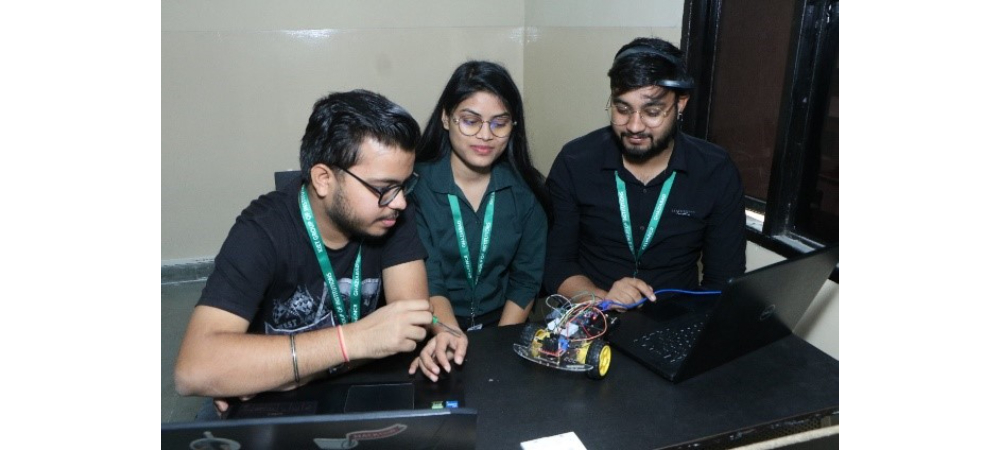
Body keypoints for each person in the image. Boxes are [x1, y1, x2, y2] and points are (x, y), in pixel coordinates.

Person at [174, 89, 440, 419]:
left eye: (404, 185)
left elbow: (409, 329)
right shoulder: (261, 230)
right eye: (384, 188)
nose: (399, 201)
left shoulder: (392, 215)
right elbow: (194, 369)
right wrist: (355, 342)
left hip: (322, 390)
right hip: (273, 413)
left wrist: (277, 373)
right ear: (323, 179)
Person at [544, 37, 746, 308]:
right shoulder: (576, 161)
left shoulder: (716, 171)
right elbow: (557, 263)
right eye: (622, 109)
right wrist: (602, 300)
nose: (634, 126)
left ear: (681, 103)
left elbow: (723, 281)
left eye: (652, 111)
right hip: (591, 314)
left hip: (676, 318)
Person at [407, 61, 550, 380]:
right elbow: (430, 280)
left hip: (504, 328)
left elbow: (526, 279)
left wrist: (500, 344)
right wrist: (449, 335)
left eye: (500, 123)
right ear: (446, 118)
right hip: (433, 328)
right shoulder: (415, 189)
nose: (486, 135)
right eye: (470, 121)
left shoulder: (526, 192)